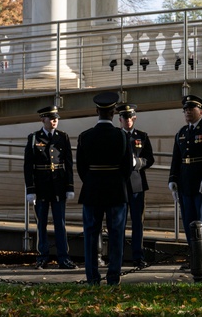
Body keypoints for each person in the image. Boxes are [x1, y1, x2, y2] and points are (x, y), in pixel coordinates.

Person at [76, 91, 133, 285]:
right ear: (113, 113)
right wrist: (117, 180)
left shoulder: (85, 137)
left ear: (96, 111)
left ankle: (92, 276)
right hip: (116, 190)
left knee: (91, 235)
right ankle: (113, 276)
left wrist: (93, 180)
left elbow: (81, 168)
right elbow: (127, 167)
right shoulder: (122, 136)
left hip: (92, 190)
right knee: (116, 235)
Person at [168, 93, 202, 267]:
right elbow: (176, 159)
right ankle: (195, 256)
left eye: (191, 109)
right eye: (185, 110)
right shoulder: (182, 133)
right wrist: (173, 180)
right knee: (189, 221)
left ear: (201, 111)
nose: (187, 112)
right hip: (186, 183)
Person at [23, 105, 76, 269]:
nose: (55, 121)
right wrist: (30, 189)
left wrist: (70, 186)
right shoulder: (34, 138)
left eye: (56, 118)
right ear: (43, 119)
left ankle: (63, 257)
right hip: (41, 186)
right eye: (51, 118)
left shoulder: (63, 137)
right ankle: (42, 256)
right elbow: (28, 165)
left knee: (60, 223)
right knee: (42, 223)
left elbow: (68, 163)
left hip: (58, 185)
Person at [117, 102, 155, 268]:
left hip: (137, 185)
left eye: (129, 117)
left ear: (134, 118)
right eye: (124, 118)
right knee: (118, 223)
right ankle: (117, 256)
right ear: (120, 119)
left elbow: (149, 159)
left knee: (137, 223)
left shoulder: (142, 136)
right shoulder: (115, 136)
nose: (127, 120)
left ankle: (138, 257)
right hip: (119, 185)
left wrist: (137, 162)